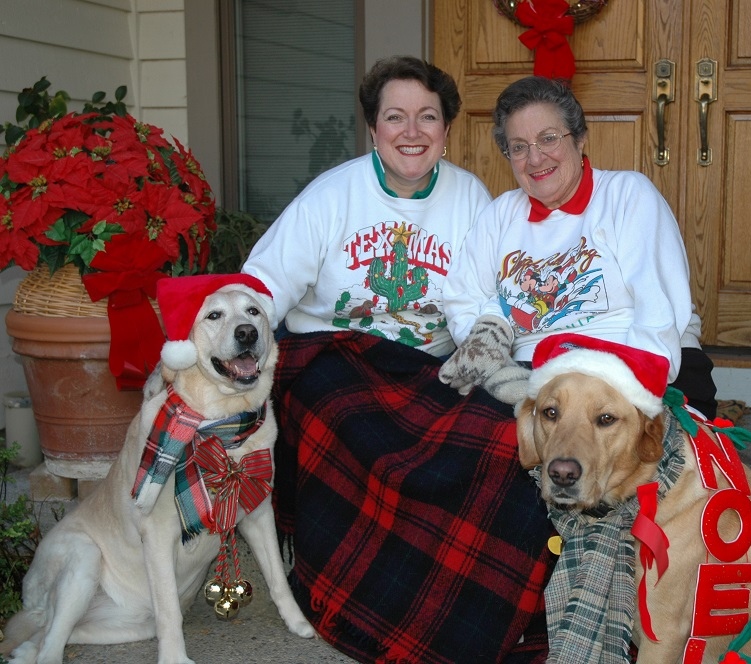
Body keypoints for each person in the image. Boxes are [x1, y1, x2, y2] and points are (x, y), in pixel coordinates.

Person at [242, 56, 553, 664]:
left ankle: (481, 614)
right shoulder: (331, 195)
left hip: (429, 370)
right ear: (372, 128)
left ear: (446, 129)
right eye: (395, 117)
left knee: (501, 439)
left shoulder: (471, 199)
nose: (411, 132)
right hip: (331, 358)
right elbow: (261, 288)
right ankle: (354, 593)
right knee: (357, 428)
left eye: (427, 117)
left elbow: (495, 299)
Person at [440, 75, 718, 418]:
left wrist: (628, 393)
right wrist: (498, 370)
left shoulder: (627, 194)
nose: (536, 158)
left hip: (629, 365)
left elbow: (659, 310)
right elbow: (463, 297)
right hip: (533, 375)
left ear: (581, 138)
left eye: (548, 139)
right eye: (519, 147)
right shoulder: (499, 214)